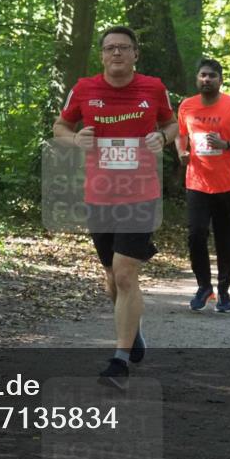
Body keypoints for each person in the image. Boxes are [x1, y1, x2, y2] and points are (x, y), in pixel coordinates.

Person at [53, 26, 176, 390]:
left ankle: (119, 361)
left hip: (140, 193)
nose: (117, 54)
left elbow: (171, 124)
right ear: (102, 55)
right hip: (100, 193)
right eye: (110, 48)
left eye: (124, 48)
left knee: (125, 273)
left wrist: (162, 137)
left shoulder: (153, 88)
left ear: (136, 54)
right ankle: (132, 331)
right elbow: (60, 125)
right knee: (110, 276)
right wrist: (75, 138)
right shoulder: (85, 88)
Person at [176, 59, 230, 313]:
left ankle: (224, 289)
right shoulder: (187, 106)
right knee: (195, 234)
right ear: (197, 79)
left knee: (225, 239)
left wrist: (227, 146)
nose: (206, 80)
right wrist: (181, 152)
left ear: (220, 79)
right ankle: (203, 287)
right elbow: (181, 135)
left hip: (226, 184)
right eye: (202, 75)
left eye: (211, 76)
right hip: (197, 183)